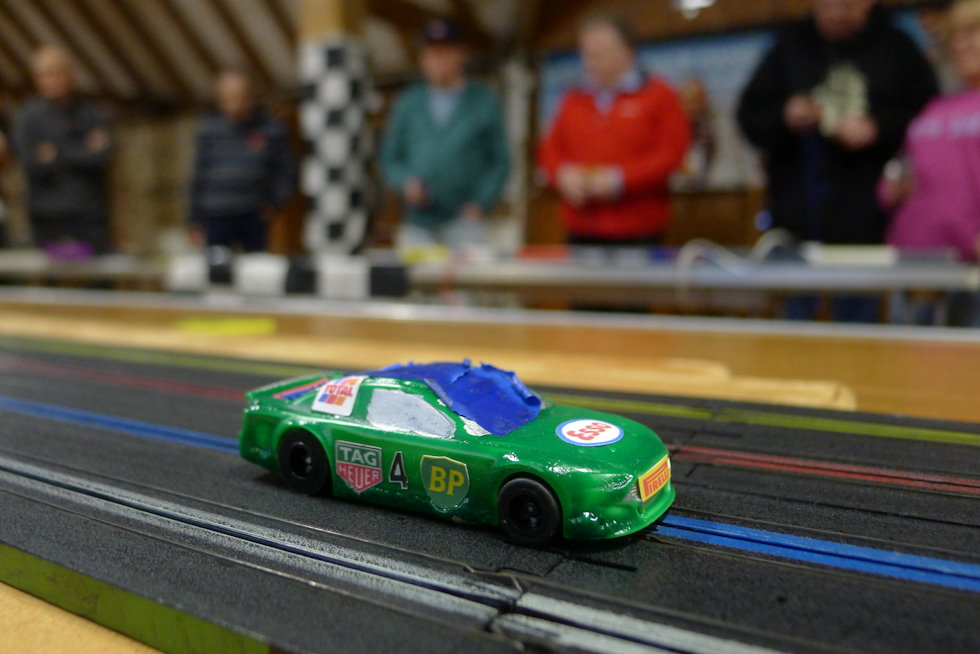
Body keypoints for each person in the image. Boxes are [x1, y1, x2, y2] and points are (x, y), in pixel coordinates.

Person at [737, 0, 938, 321]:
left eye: (847, 6)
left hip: (869, 219)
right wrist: (785, 116)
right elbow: (750, 116)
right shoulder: (788, 46)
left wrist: (878, 128)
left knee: (860, 321)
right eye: (828, 5)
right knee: (794, 326)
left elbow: (930, 117)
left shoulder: (896, 47)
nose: (836, 14)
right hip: (797, 216)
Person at [538, 13, 691, 246]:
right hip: (581, 228)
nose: (591, 62)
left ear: (626, 51)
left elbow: (671, 154)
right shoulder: (573, 99)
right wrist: (562, 175)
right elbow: (549, 149)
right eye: (586, 53)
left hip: (638, 231)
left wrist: (619, 180)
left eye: (600, 53)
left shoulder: (659, 95)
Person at [882, 0, 980, 325]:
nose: (961, 44)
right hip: (914, 265)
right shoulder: (934, 107)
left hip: (970, 271)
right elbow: (902, 172)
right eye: (955, 36)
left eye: (973, 33)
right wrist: (893, 184)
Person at [380, 19, 510, 251]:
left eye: (444, 53)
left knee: (470, 274)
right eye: (431, 54)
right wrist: (405, 183)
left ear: (461, 55)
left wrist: (481, 202)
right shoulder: (408, 103)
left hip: (465, 221)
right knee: (417, 274)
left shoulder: (483, 102)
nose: (438, 61)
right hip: (419, 222)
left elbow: (501, 161)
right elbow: (390, 158)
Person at [13, 46, 113, 256]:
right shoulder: (28, 119)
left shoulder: (91, 114)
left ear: (69, 75)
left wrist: (56, 152)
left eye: (56, 73)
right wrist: (81, 149)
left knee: (95, 272)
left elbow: (101, 158)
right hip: (48, 218)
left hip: (88, 216)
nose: (51, 80)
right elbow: (32, 164)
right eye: (44, 75)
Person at [189, 68, 296, 253]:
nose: (234, 103)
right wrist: (193, 219)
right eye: (228, 97)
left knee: (256, 267)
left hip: (254, 214)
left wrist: (274, 202)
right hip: (216, 214)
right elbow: (199, 175)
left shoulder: (270, 128)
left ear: (250, 96)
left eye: (238, 96)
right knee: (218, 267)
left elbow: (288, 171)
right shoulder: (209, 129)